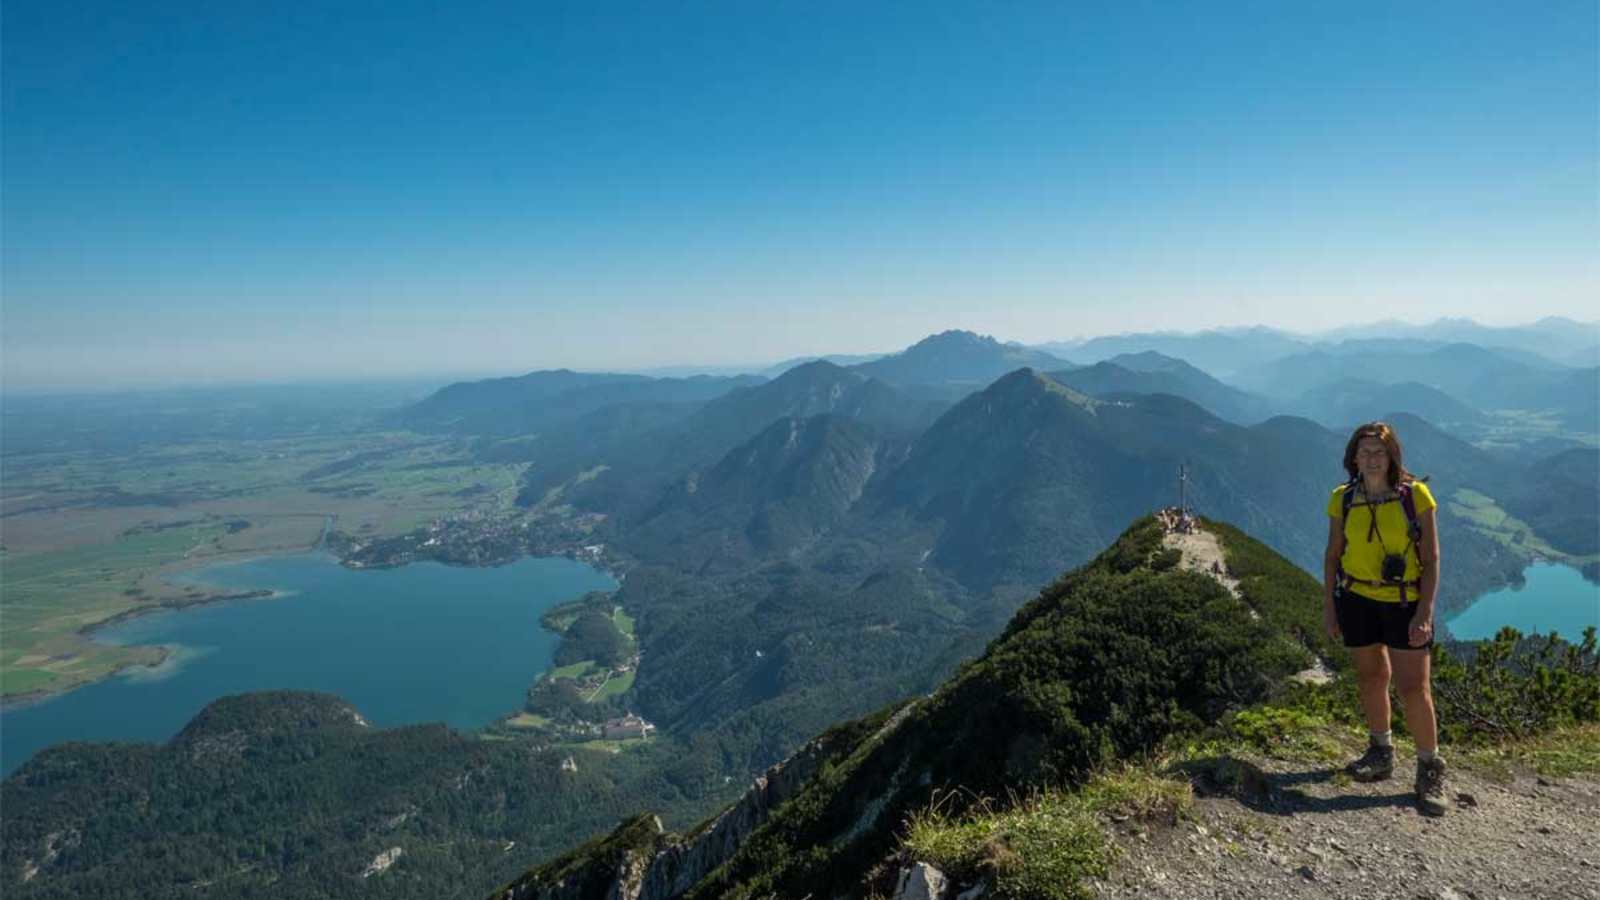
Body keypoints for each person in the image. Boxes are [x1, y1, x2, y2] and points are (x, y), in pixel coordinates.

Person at [1322, 421, 1447, 816]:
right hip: (1357, 597)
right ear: (1353, 458)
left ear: (1393, 456)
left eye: (1379, 451)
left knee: (1414, 688)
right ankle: (1381, 750)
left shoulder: (1416, 497)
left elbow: (1431, 560)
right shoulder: (1342, 499)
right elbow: (1332, 556)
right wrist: (1330, 605)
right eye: (1365, 452)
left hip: (1404, 601)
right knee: (1371, 678)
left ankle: (1430, 767)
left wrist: (1425, 612)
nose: (1372, 458)